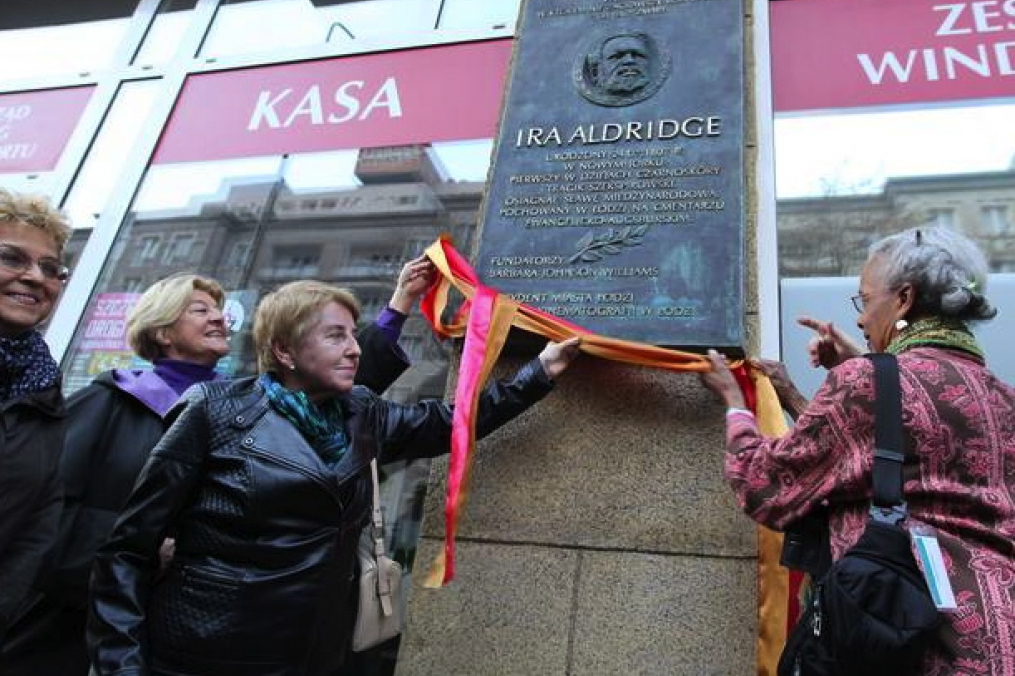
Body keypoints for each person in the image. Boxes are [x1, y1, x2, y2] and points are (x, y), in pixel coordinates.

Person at [87, 278, 581, 676]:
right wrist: (122, 664)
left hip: (311, 657)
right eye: (336, 336)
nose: (355, 350)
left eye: (353, 334)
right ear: (284, 351)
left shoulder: (360, 411)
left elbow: (449, 425)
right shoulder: (212, 411)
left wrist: (537, 372)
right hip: (206, 654)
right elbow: (127, 551)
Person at [0, 258, 434, 675]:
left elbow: (342, 390)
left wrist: (398, 307)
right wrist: (154, 557)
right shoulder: (108, 400)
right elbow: (44, 509)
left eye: (220, 311)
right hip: (82, 618)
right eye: (199, 310)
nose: (219, 319)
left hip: (199, 627)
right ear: (163, 329)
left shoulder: (244, 407)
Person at [702, 226, 1015, 674]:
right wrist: (814, 387)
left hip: (910, 642)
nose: (862, 320)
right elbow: (891, 461)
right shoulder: (1004, 397)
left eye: (865, 301)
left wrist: (736, 406)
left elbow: (766, 484)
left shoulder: (867, 381)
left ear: (903, 299)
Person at [0, 188, 72, 646]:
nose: (35, 278)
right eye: (12, 258)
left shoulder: (42, 386)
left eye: (51, 269)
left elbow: (34, 530)